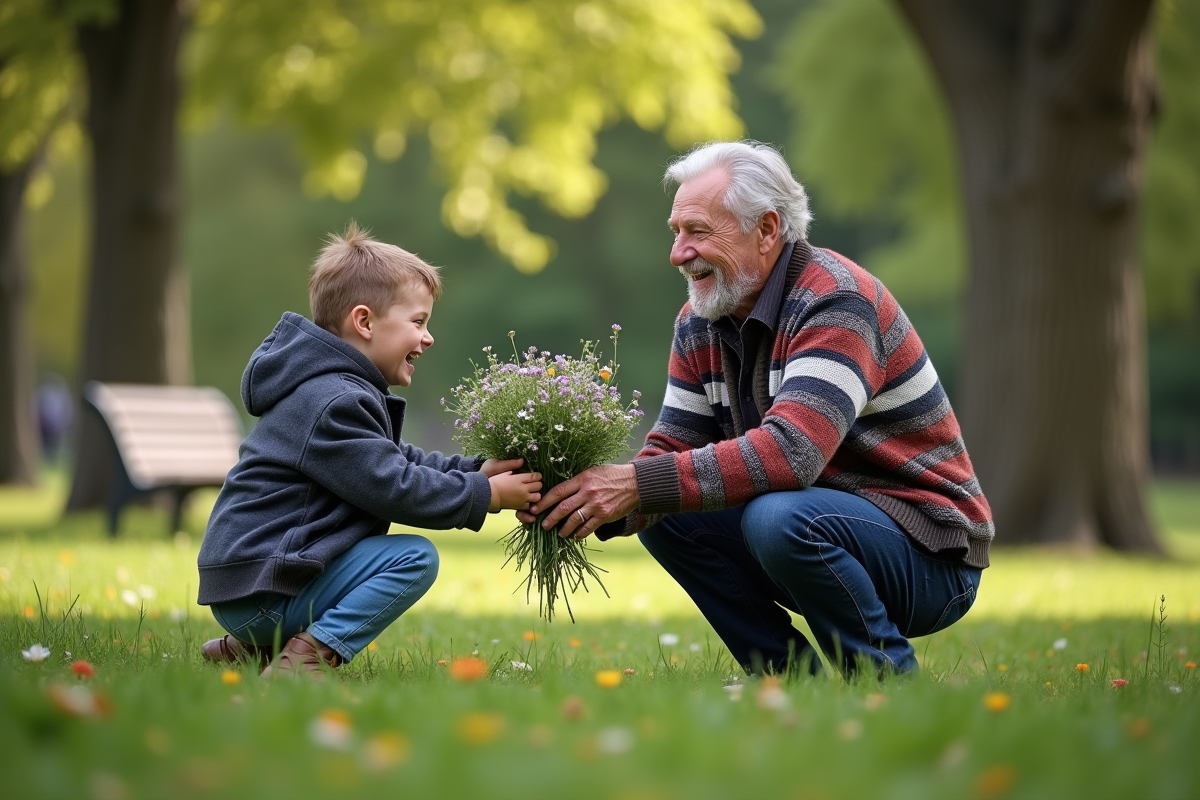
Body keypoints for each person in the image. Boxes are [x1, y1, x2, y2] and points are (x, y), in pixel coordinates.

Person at [524, 141, 993, 677]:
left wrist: (636, 483)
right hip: (818, 531)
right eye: (675, 232)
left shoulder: (837, 301)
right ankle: (787, 680)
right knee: (665, 509)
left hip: (928, 552)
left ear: (767, 230)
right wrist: (581, 501)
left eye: (698, 232)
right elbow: (674, 447)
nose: (678, 253)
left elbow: (792, 455)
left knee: (773, 516)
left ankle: (885, 681)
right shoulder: (700, 318)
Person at [197, 223, 542, 677]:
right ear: (364, 322)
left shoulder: (333, 387)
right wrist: (485, 494)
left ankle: (252, 648)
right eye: (418, 322)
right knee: (414, 558)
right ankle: (304, 657)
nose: (428, 337)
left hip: (255, 582)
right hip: (263, 590)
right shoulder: (334, 400)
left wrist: (477, 469)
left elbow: (400, 460)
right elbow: (394, 486)